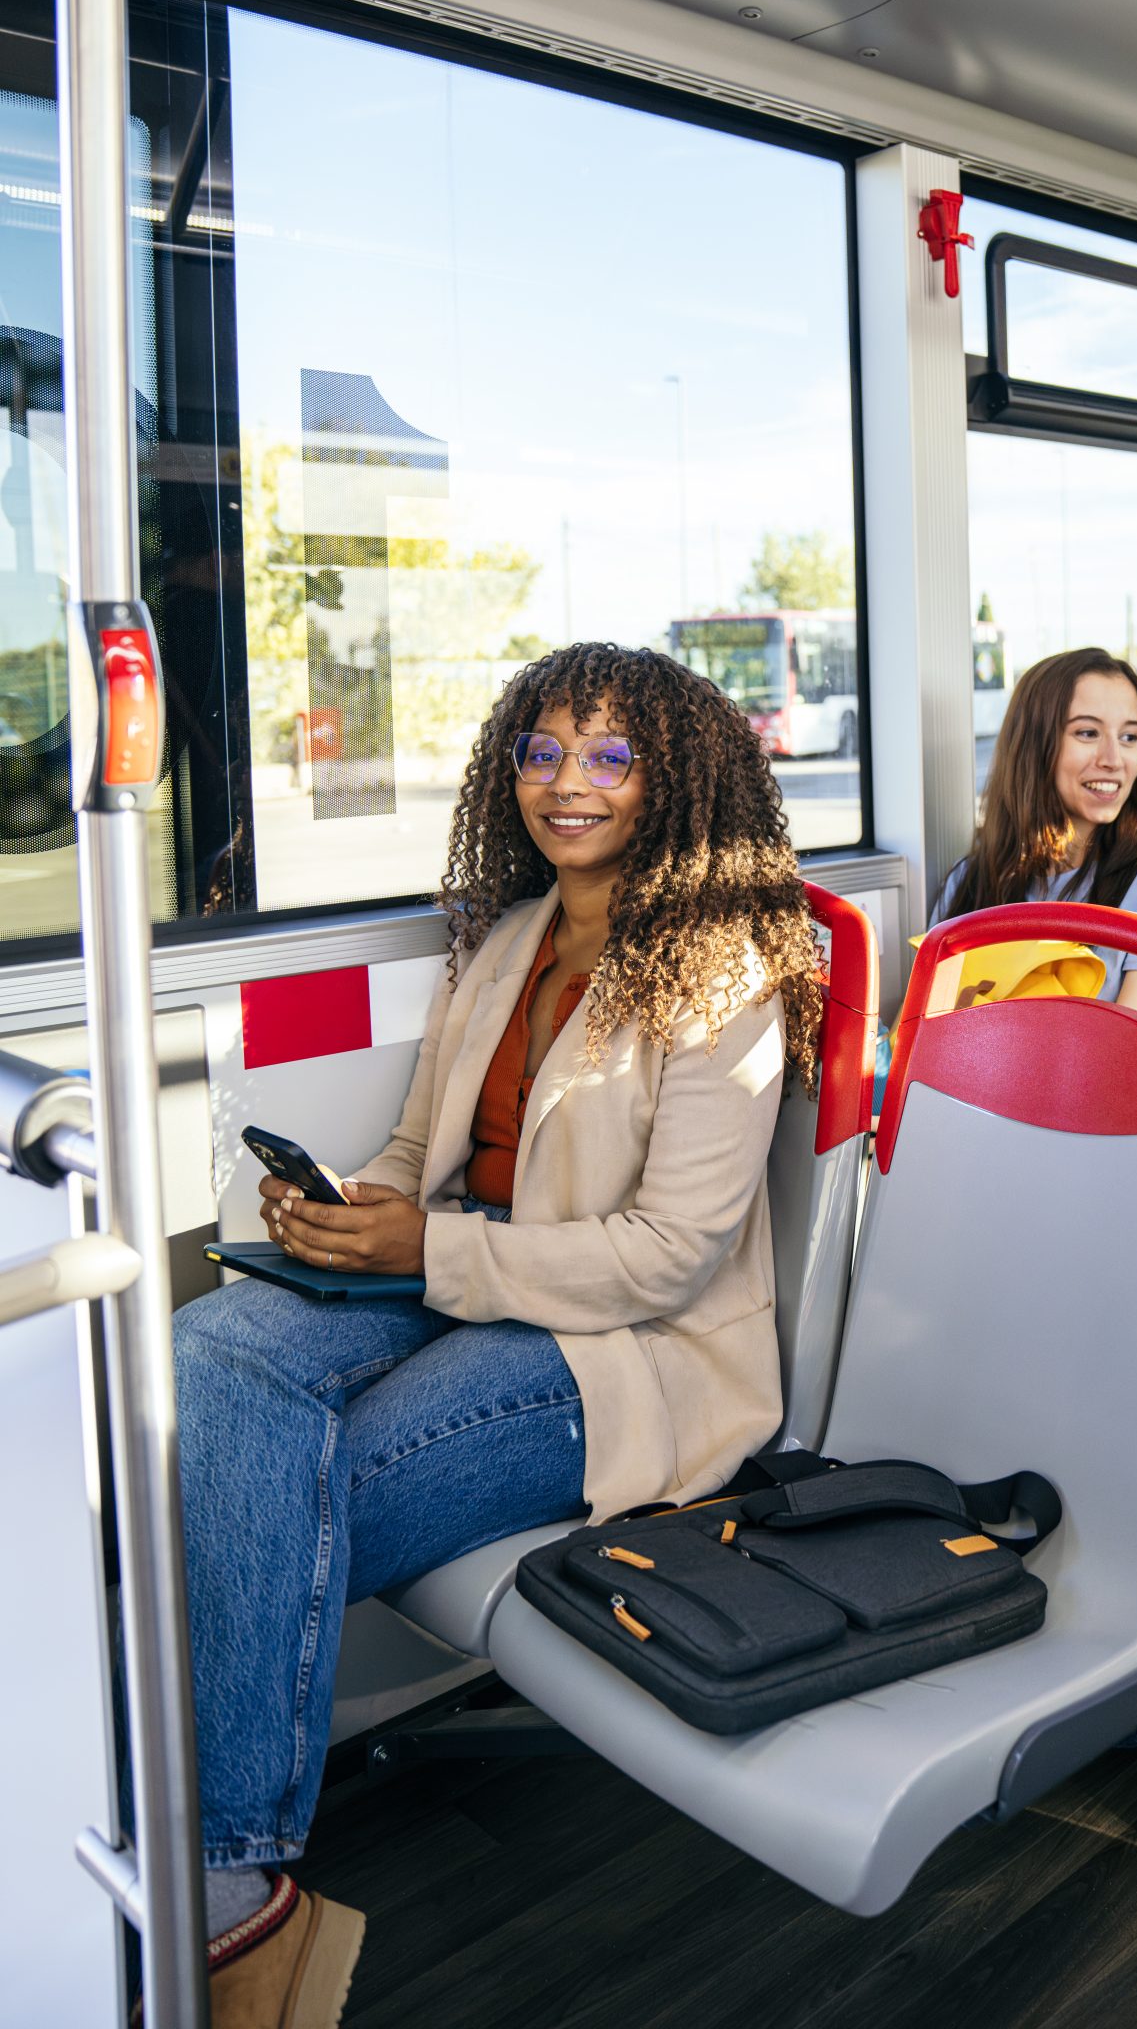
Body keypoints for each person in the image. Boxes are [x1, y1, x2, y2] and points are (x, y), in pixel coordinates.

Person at [172, 643, 822, 2025]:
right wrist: (349, 1212)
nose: (567, 780)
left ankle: (226, 1883)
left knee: (285, 1490)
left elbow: (667, 1256)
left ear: (674, 779)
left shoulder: (723, 973)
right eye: (543, 749)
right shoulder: (507, 938)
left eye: (609, 754)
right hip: (458, 1270)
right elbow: (424, 1151)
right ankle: (213, 1866)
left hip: (620, 1350)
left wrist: (427, 1249)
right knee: (207, 1355)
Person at [935, 646, 1137, 1023]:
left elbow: (1135, 1047)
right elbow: (920, 1035)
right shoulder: (968, 881)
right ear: (1034, 747)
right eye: (1088, 732)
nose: (1113, 759)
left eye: (1130, 737)